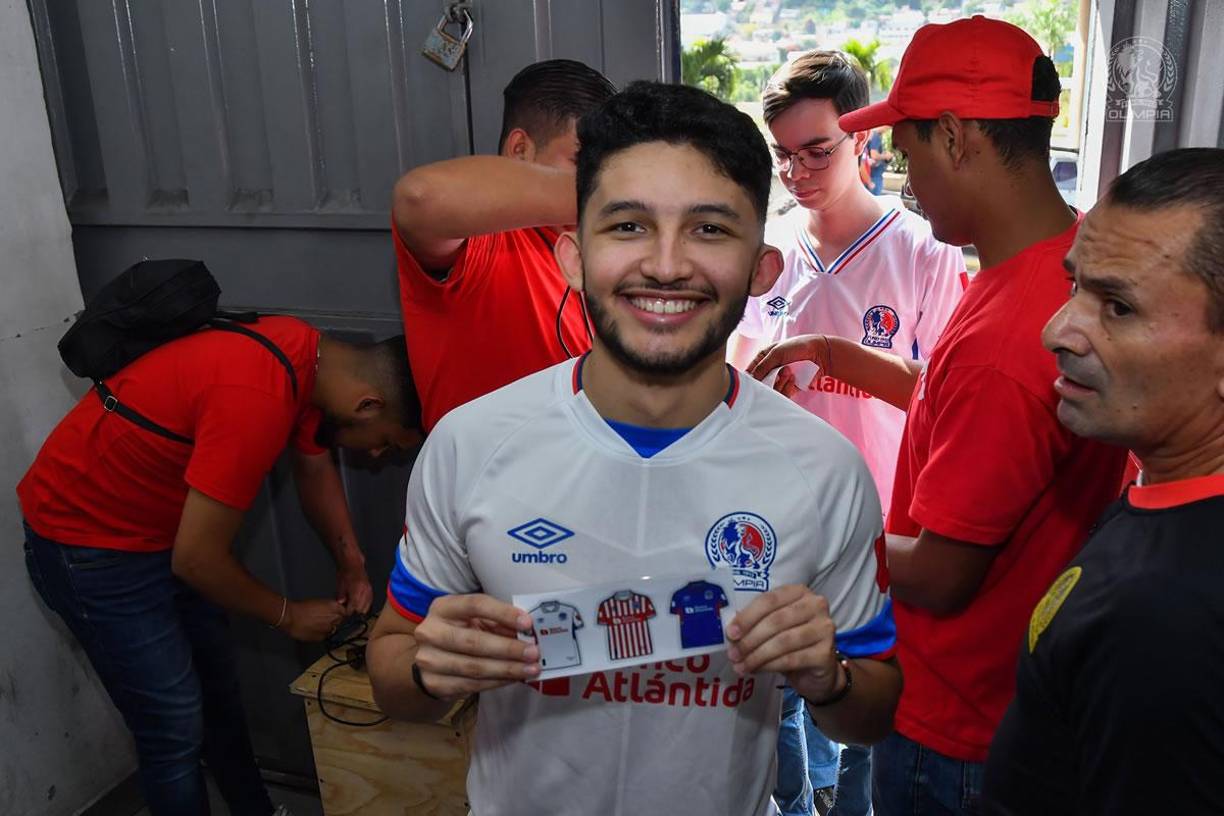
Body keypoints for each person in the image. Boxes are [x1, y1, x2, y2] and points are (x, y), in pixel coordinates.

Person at [366, 81, 902, 816]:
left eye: (710, 230)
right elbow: (393, 670)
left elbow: (871, 710)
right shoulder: (472, 443)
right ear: (572, 256)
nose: (666, 265)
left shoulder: (825, 470)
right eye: (626, 226)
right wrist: (432, 669)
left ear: (761, 269)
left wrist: (829, 679)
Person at [749, 16, 1128, 814]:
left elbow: (945, 573)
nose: (907, 177)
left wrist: (805, 532)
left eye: (912, 149)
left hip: (956, 717)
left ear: (956, 138)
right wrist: (842, 354)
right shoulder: (1063, 266)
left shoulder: (1002, 332)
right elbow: (962, 402)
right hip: (1015, 688)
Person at [19, 312, 424, 816]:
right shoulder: (256, 398)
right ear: (368, 403)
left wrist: (352, 562)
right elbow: (198, 559)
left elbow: (313, 462)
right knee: (173, 727)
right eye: (386, 440)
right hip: (89, 545)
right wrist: (287, 614)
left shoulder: (308, 358)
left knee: (218, 700)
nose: (379, 452)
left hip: (163, 533)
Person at [729, 49, 964, 816]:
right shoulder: (767, 255)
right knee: (785, 688)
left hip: (882, 522)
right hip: (781, 515)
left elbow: (945, 404)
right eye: (784, 156)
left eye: (817, 151)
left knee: (871, 692)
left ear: (863, 141)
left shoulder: (923, 255)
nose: (797, 171)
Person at [982, 148, 1224, 815]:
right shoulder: (1167, 497)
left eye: (1117, 307)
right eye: (1074, 286)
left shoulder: (1165, 616)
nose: (1058, 330)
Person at [392, 59, 616, 431]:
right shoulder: (486, 238)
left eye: (610, 164)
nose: (603, 177)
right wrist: (623, 192)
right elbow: (419, 197)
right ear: (519, 150)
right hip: (486, 482)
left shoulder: (596, 243)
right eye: (584, 160)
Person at [866, 128, 892, 195]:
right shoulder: (876, 136)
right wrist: (886, 156)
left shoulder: (874, 135)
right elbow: (874, 155)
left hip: (872, 175)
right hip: (874, 177)